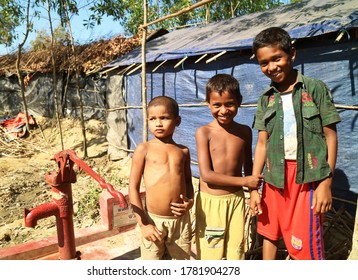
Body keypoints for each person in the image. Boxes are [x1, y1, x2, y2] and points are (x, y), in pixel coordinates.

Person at [249, 27, 341, 260]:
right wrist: (254, 188)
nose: (271, 67)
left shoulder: (314, 88)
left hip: (307, 178)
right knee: (269, 232)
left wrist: (326, 183)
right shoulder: (266, 99)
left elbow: (330, 136)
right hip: (273, 177)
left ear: (292, 54)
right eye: (264, 63)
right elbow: (261, 144)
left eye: (276, 58)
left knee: (305, 245)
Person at [195, 74, 262, 260]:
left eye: (229, 104)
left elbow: (249, 166)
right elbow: (207, 175)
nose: (223, 110)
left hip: (237, 201)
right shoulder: (204, 133)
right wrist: (244, 181)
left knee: (236, 251)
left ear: (239, 101)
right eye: (217, 105)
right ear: (208, 103)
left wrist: (253, 192)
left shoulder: (244, 132)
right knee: (212, 254)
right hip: (211, 204)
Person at [129, 95, 194, 260]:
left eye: (164, 118)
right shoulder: (144, 149)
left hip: (180, 220)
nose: (158, 123)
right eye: (152, 119)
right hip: (153, 220)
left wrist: (190, 202)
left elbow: (187, 181)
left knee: (182, 262)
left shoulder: (183, 151)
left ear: (177, 121)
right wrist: (143, 224)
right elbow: (133, 188)